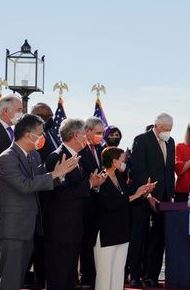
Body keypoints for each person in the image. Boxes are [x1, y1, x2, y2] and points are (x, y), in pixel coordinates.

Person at [0, 114, 78, 290]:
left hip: (31, 228)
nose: (43, 137)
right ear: (28, 135)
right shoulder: (6, 158)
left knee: (18, 278)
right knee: (10, 278)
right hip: (13, 230)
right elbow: (25, 185)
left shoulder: (34, 156)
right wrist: (55, 174)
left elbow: (41, 180)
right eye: (40, 133)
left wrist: (60, 175)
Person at [45, 118, 106, 290]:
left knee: (69, 275)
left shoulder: (76, 157)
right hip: (61, 228)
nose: (86, 137)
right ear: (74, 135)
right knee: (59, 275)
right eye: (83, 134)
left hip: (74, 226)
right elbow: (61, 193)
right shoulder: (57, 156)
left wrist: (94, 184)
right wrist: (89, 184)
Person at [94, 147, 156, 290]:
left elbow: (128, 198)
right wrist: (133, 196)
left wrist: (141, 191)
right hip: (106, 233)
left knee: (118, 272)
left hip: (122, 231)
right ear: (114, 161)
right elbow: (109, 204)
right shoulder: (100, 179)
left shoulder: (120, 178)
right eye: (122, 159)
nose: (124, 162)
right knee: (105, 273)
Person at [128, 113, 175, 287]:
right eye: (165, 129)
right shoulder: (141, 140)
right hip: (143, 196)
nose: (167, 132)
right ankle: (135, 274)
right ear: (157, 126)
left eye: (170, 129)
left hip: (163, 198)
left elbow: (169, 170)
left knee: (158, 237)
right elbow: (138, 169)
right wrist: (147, 194)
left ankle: (152, 275)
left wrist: (170, 194)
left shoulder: (171, 142)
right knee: (139, 236)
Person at [27, 102, 61, 287]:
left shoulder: (52, 134)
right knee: (37, 242)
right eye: (43, 115)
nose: (48, 119)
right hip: (38, 196)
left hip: (51, 197)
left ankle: (43, 278)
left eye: (49, 116)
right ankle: (37, 279)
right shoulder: (35, 137)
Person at [78, 116, 105, 287]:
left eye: (102, 133)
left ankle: (90, 276)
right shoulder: (79, 150)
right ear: (87, 131)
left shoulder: (99, 149)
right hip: (82, 204)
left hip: (96, 204)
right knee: (84, 242)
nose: (101, 136)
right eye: (98, 133)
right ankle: (85, 278)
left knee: (91, 242)